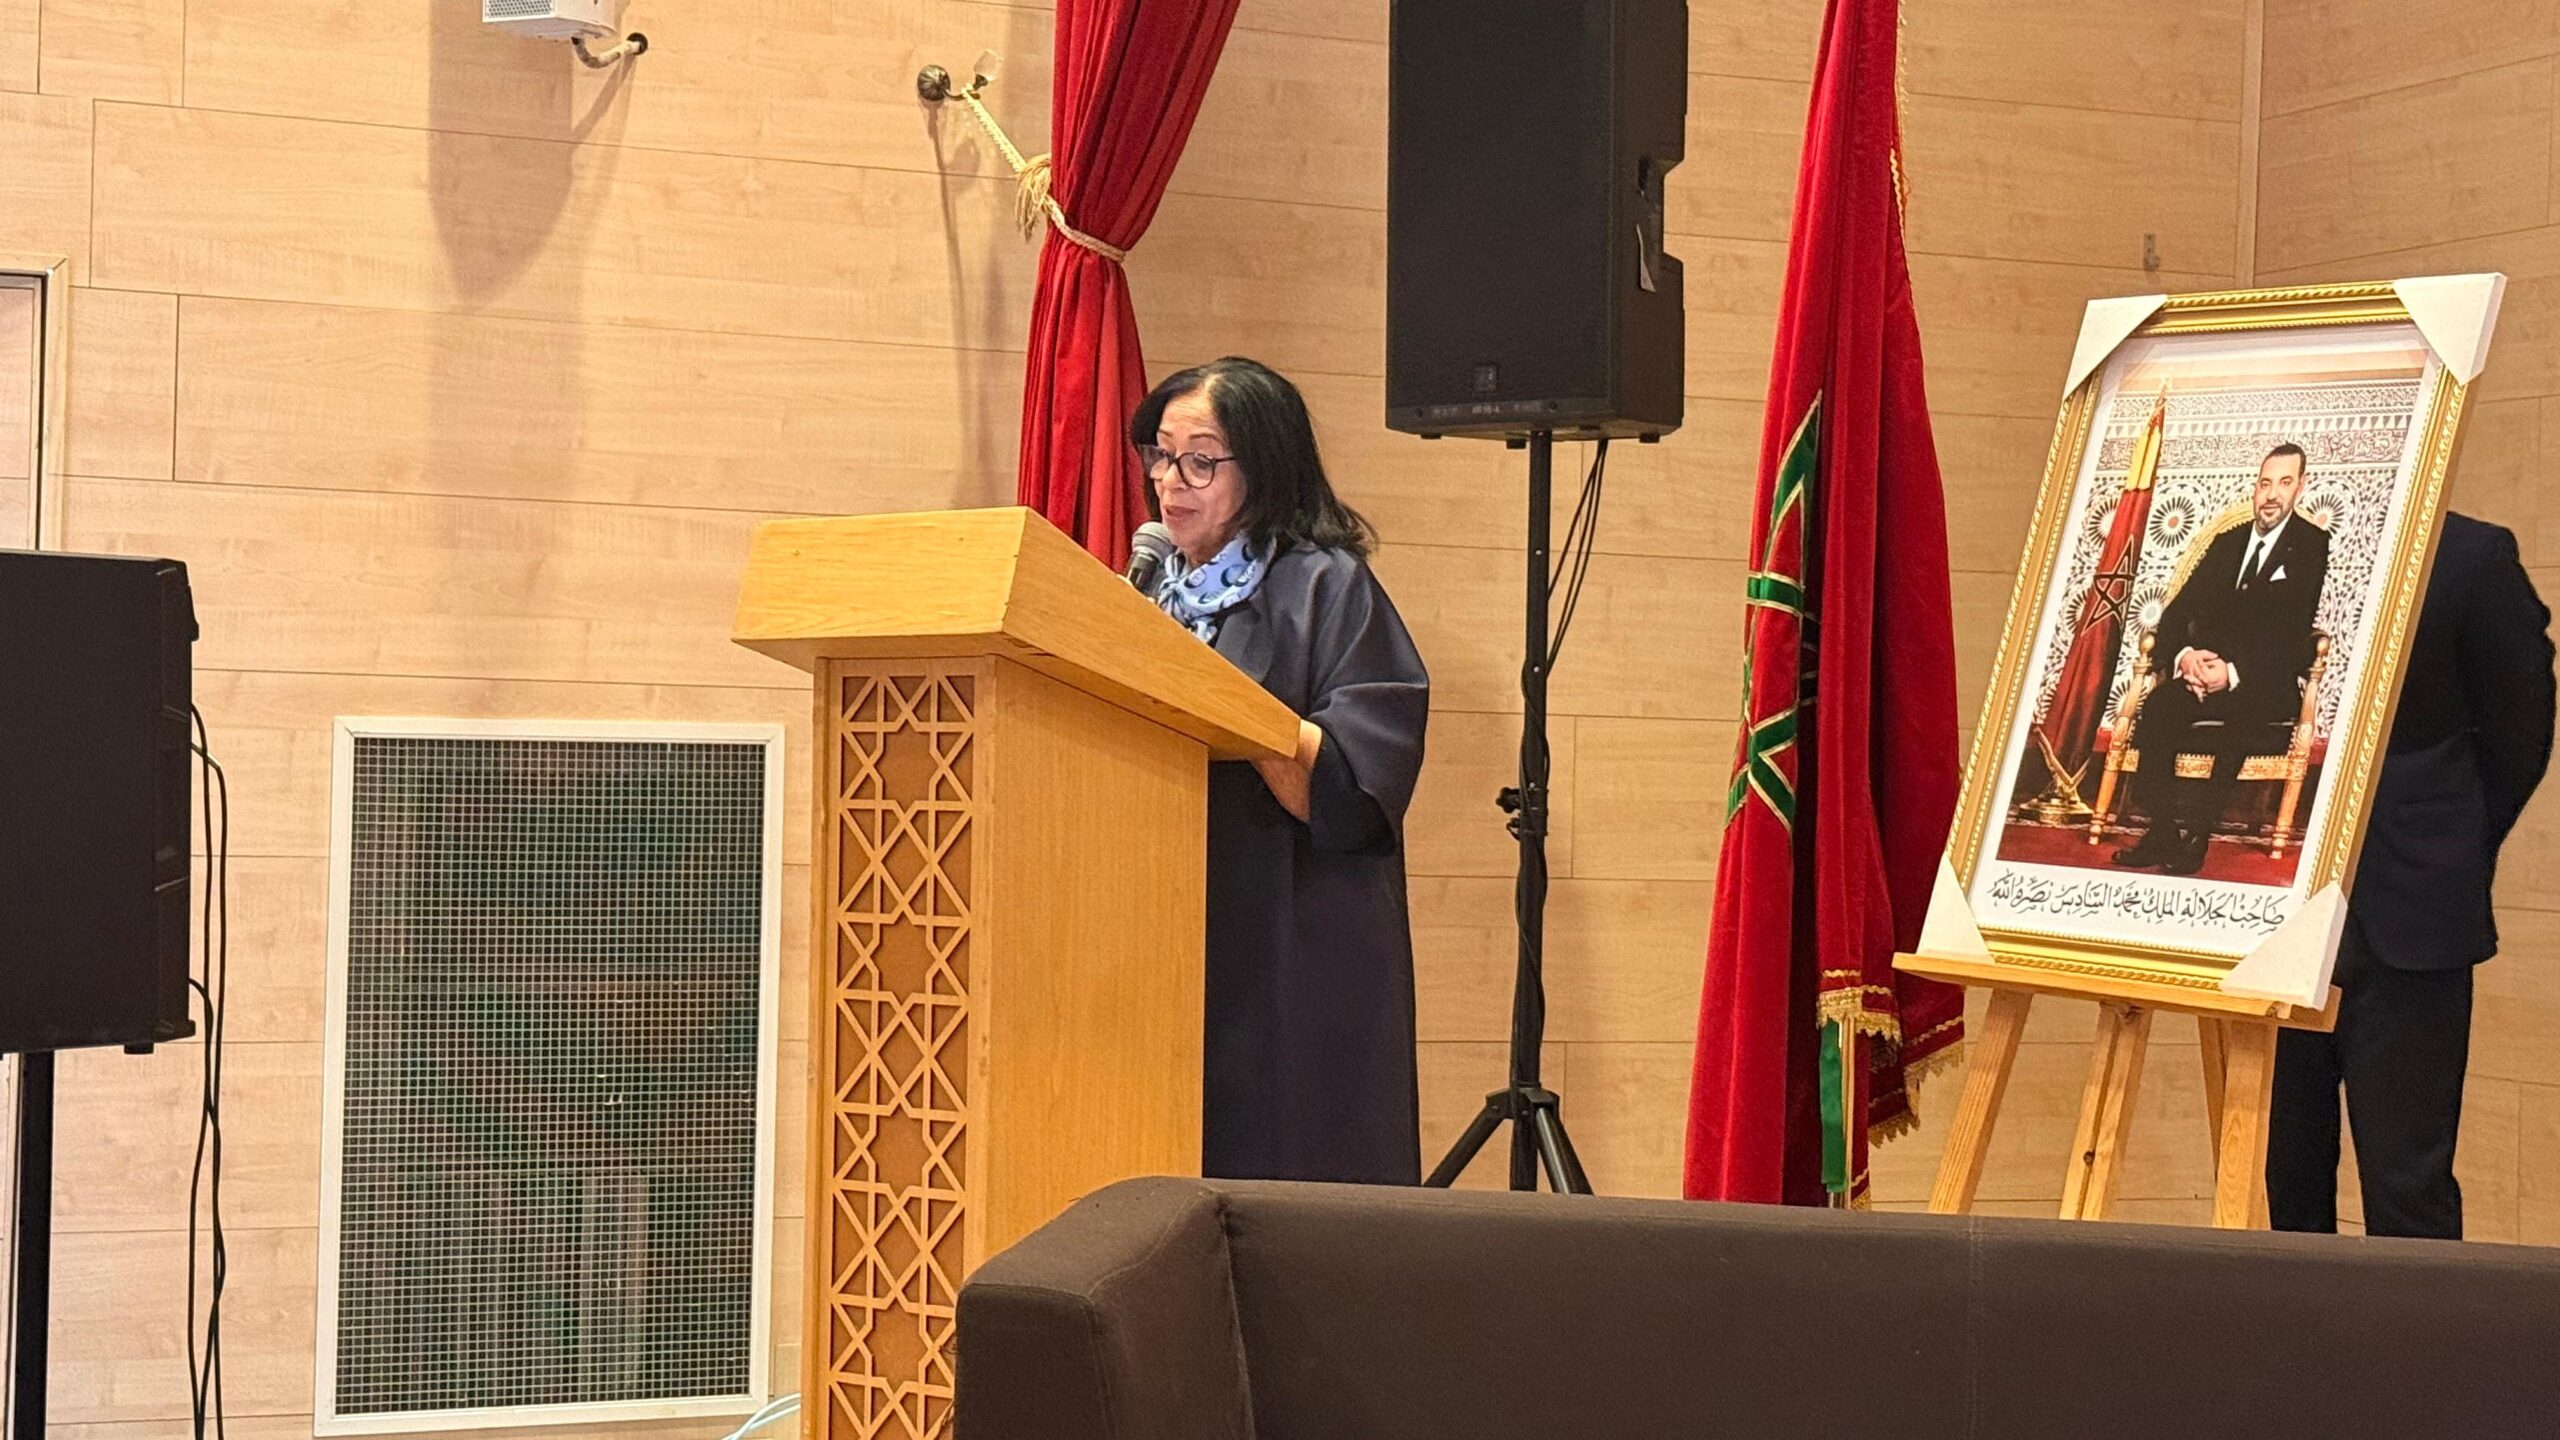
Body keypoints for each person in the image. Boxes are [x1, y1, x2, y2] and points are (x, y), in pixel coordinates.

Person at [1129, 356, 1431, 1185]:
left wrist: (1233, 707)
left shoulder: (1326, 587)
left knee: (1277, 1173)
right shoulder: (1147, 598)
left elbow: (1361, 785)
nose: (1171, 481)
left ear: (1262, 467)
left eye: (1200, 460)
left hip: (1287, 943)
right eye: (1161, 455)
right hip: (1153, 936)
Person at [2267, 510, 2554, 1239]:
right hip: (2270, 905)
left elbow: (2520, 727)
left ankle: (2422, 1328)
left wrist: (2450, 839)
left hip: (2411, 909)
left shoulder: (2468, 553)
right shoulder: (2271, 544)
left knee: (2407, 1190)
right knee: (2281, 1180)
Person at [2114, 442, 2331, 876]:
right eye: (2265, 483)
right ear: (2255, 487)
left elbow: (2292, 633)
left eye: (2284, 483)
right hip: (2202, 673)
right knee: (2158, 708)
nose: (2272, 494)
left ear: (2300, 487)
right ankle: (2162, 830)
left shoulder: (2310, 545)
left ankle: (2197, 836)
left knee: (2242, 716)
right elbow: (2177, 613)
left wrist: (2230, 673)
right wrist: (2187, 658)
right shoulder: (2226, 544)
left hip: (2261, 681)